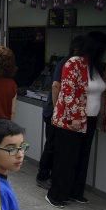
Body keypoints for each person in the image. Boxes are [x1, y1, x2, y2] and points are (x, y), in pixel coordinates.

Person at [47, 31, 106, 208]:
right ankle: (56, 194)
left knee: (82, 158)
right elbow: (69, 92)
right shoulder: (73, 63)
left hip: (90, 119)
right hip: (71, 120)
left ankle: (75, 191)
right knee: (66, 159)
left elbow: (101, 92)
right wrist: (75, 119)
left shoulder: (96, 66)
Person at [37, 36, 84, 188]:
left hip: (64, 113)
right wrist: (58, 110)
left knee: (58, 147)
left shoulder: (79, 64)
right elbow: (56, 86)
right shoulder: (66, 62)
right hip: (55, 111)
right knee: (52, 145)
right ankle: (42, 176)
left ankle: (52, 177)